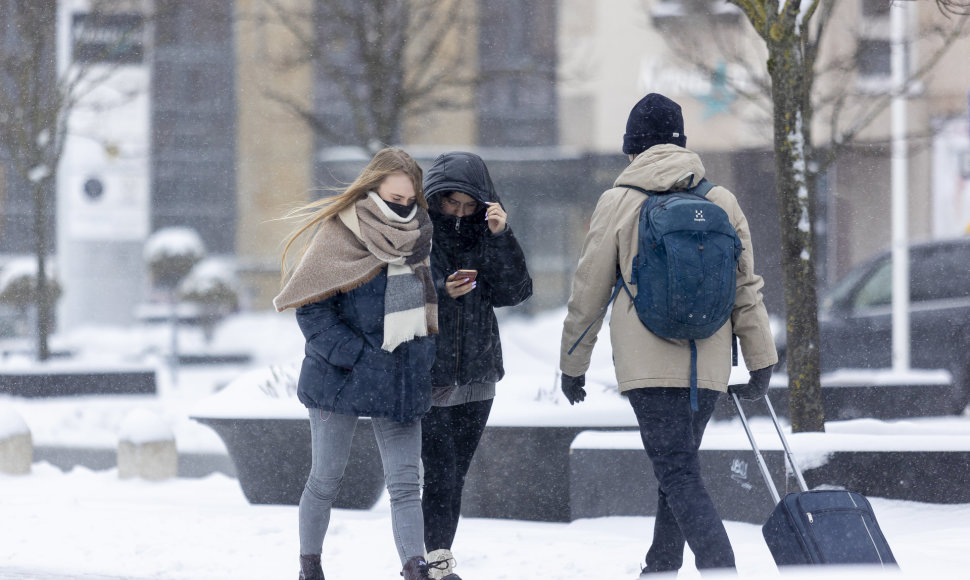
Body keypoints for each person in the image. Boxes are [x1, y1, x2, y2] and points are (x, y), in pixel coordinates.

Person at [558, 93, 778, 576]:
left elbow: (588, 290)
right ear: (682, 143)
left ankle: (719, 566)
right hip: (710, 364)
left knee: (675, 469)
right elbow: (746, 287)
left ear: (632, 148)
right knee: (676, 468)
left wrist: (572, 365)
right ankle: (660, 567)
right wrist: (761, 361)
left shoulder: (618, 202)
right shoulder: (721, 200)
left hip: (647, 365)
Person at [273, 147, 438, 580]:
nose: (403, 207)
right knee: (326, 477)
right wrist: (359, 357)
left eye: (409, 199)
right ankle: (311, 566)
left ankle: (415, 567)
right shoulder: (338, 234)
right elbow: (311, 309)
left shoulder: (420, 237)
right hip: (338, 376)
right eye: (393, 197)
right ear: (372, 189)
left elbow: (422, 312)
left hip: (400, 373)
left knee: (406, 484)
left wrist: (419, 357)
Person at [420, 151, 533, 579]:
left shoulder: (488, 233)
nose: (460, 213)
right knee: (440, 475)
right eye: (451, 203)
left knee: (455, 478)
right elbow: (396, 295)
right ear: (435, 199)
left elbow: (516, 292)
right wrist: (440, 291)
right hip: (431, 375)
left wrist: (501, 236)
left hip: (479, 376)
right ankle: (433, 563)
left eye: (469, 205)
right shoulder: (417, 234)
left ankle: (435, 560)